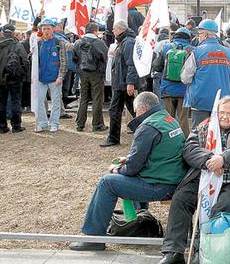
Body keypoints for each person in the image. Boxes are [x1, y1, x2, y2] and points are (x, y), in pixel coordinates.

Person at [69, 92, 186, 251]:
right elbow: (156, 153)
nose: (135, 115)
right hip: (174, 180)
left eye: (136, 111)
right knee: (126, 177)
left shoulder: (147, 126)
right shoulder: (169, 119)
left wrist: (117, 169)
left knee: (107, 182)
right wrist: (129, 160)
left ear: (143, 109)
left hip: (161, 185)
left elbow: (132, 169)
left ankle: (94, 238)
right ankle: (137, 222)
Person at [155, 96, 230, 264]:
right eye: (221, 112)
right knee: (181, 199)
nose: (224, 116)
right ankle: (173, 252)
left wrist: (223, 159)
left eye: (229, 113)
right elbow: (189, 149)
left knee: (220, 207)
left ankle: (203, 251)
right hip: (203, 179)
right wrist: (209, 159)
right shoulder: (204, 127)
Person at [181, 19, 230, 128]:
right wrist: (225, 85)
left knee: (199, 135)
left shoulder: (197, 51)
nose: (198, 37)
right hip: (222, 100)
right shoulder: (228, 52)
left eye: (199, 34)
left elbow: (185, 78)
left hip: (200, 101)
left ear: (205, 35)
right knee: (218, 136)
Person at [103, 19, 138, 147]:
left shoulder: (127, 43)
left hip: (123, 84)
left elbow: (131, 64)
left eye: (114, 29)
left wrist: (130, 83)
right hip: (122, 82)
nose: (112, 31)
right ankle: (145, 134)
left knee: (116, 110)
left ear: (120, 29)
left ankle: (113, 138)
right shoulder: (124, 42)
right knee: (134, 110)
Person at [0, 24, 29, 133]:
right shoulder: (17, 45)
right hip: (14, 78)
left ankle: (2, 127)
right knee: (15, 101)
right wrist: (22, 74)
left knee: (0, 102)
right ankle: (16, 126)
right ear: (12, 32)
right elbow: (25, 61)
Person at [155, 27, 193, 137]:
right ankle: (185, 142)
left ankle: (168, 140)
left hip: (167, 88)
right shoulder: (192, 50)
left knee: (168, 118)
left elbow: (157, 66)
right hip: (184, 90)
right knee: (183, 119)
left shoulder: (166, 48)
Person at [73, 22, 109, 133]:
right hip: (96, 74)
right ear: (95, 30)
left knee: (83, 98)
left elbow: (75, 58)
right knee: (97, 99)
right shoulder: (100, 43)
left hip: (82, 73)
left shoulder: (78, 42)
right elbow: (105, 58)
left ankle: (80, 124)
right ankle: (97, 124)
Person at [35, 19, 68, 132]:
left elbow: (64, 61)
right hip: (41, 78)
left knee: (56, 102)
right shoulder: (38, 43)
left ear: (53, 29)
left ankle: (54, 123)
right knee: (39, 101)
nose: (46, 31)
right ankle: (42, 123)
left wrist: (61, 76)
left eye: (48, 28)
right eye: (44, 29)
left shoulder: (59, 42)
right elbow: (35, 61)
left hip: (55, 78)